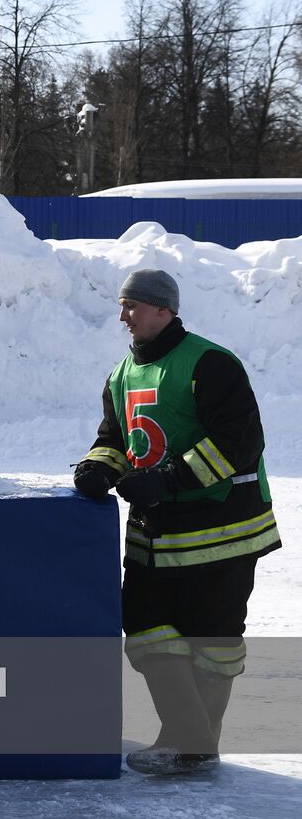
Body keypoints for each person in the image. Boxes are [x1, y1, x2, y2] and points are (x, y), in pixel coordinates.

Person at [74, 269, 280, 775]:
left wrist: (167, 480)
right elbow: (118, 438)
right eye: (122, 306)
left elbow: (238, 443)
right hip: (155, 539)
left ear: (164, 309)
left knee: (212, 642)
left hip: (223, 536)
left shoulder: (210, 364)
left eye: (133, 306)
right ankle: (192, 741)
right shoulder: (122, 373)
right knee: (146, 632)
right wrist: (100, 466)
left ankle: (190, 744)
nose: (123, 316)